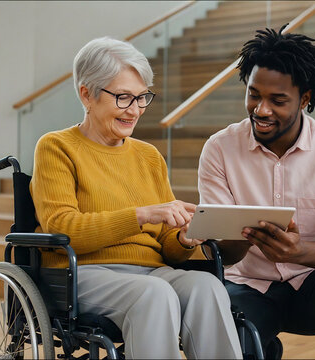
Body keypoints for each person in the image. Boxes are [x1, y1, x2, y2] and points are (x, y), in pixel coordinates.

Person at [29, 37, 242, 359]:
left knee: (206, 287)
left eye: (142, 97)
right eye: (124, 97)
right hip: (82, 273)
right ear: (87, 94)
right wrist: (142, 215)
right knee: (154, 294)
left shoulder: (149, 156)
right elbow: (63, 227)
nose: (135, 110)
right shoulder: (56, 147)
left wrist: (185, 238)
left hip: (151, 271)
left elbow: (168, 248)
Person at [197, 25, 315, 359]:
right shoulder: (219, 149)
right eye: (254, 95)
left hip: (312, 286)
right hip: (246, 286)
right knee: (227, 330)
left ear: (305, 99)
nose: (261, 110)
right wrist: (243, 235)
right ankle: (263, 345)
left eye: (277, 100)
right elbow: (219, 252)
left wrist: (299, 252)